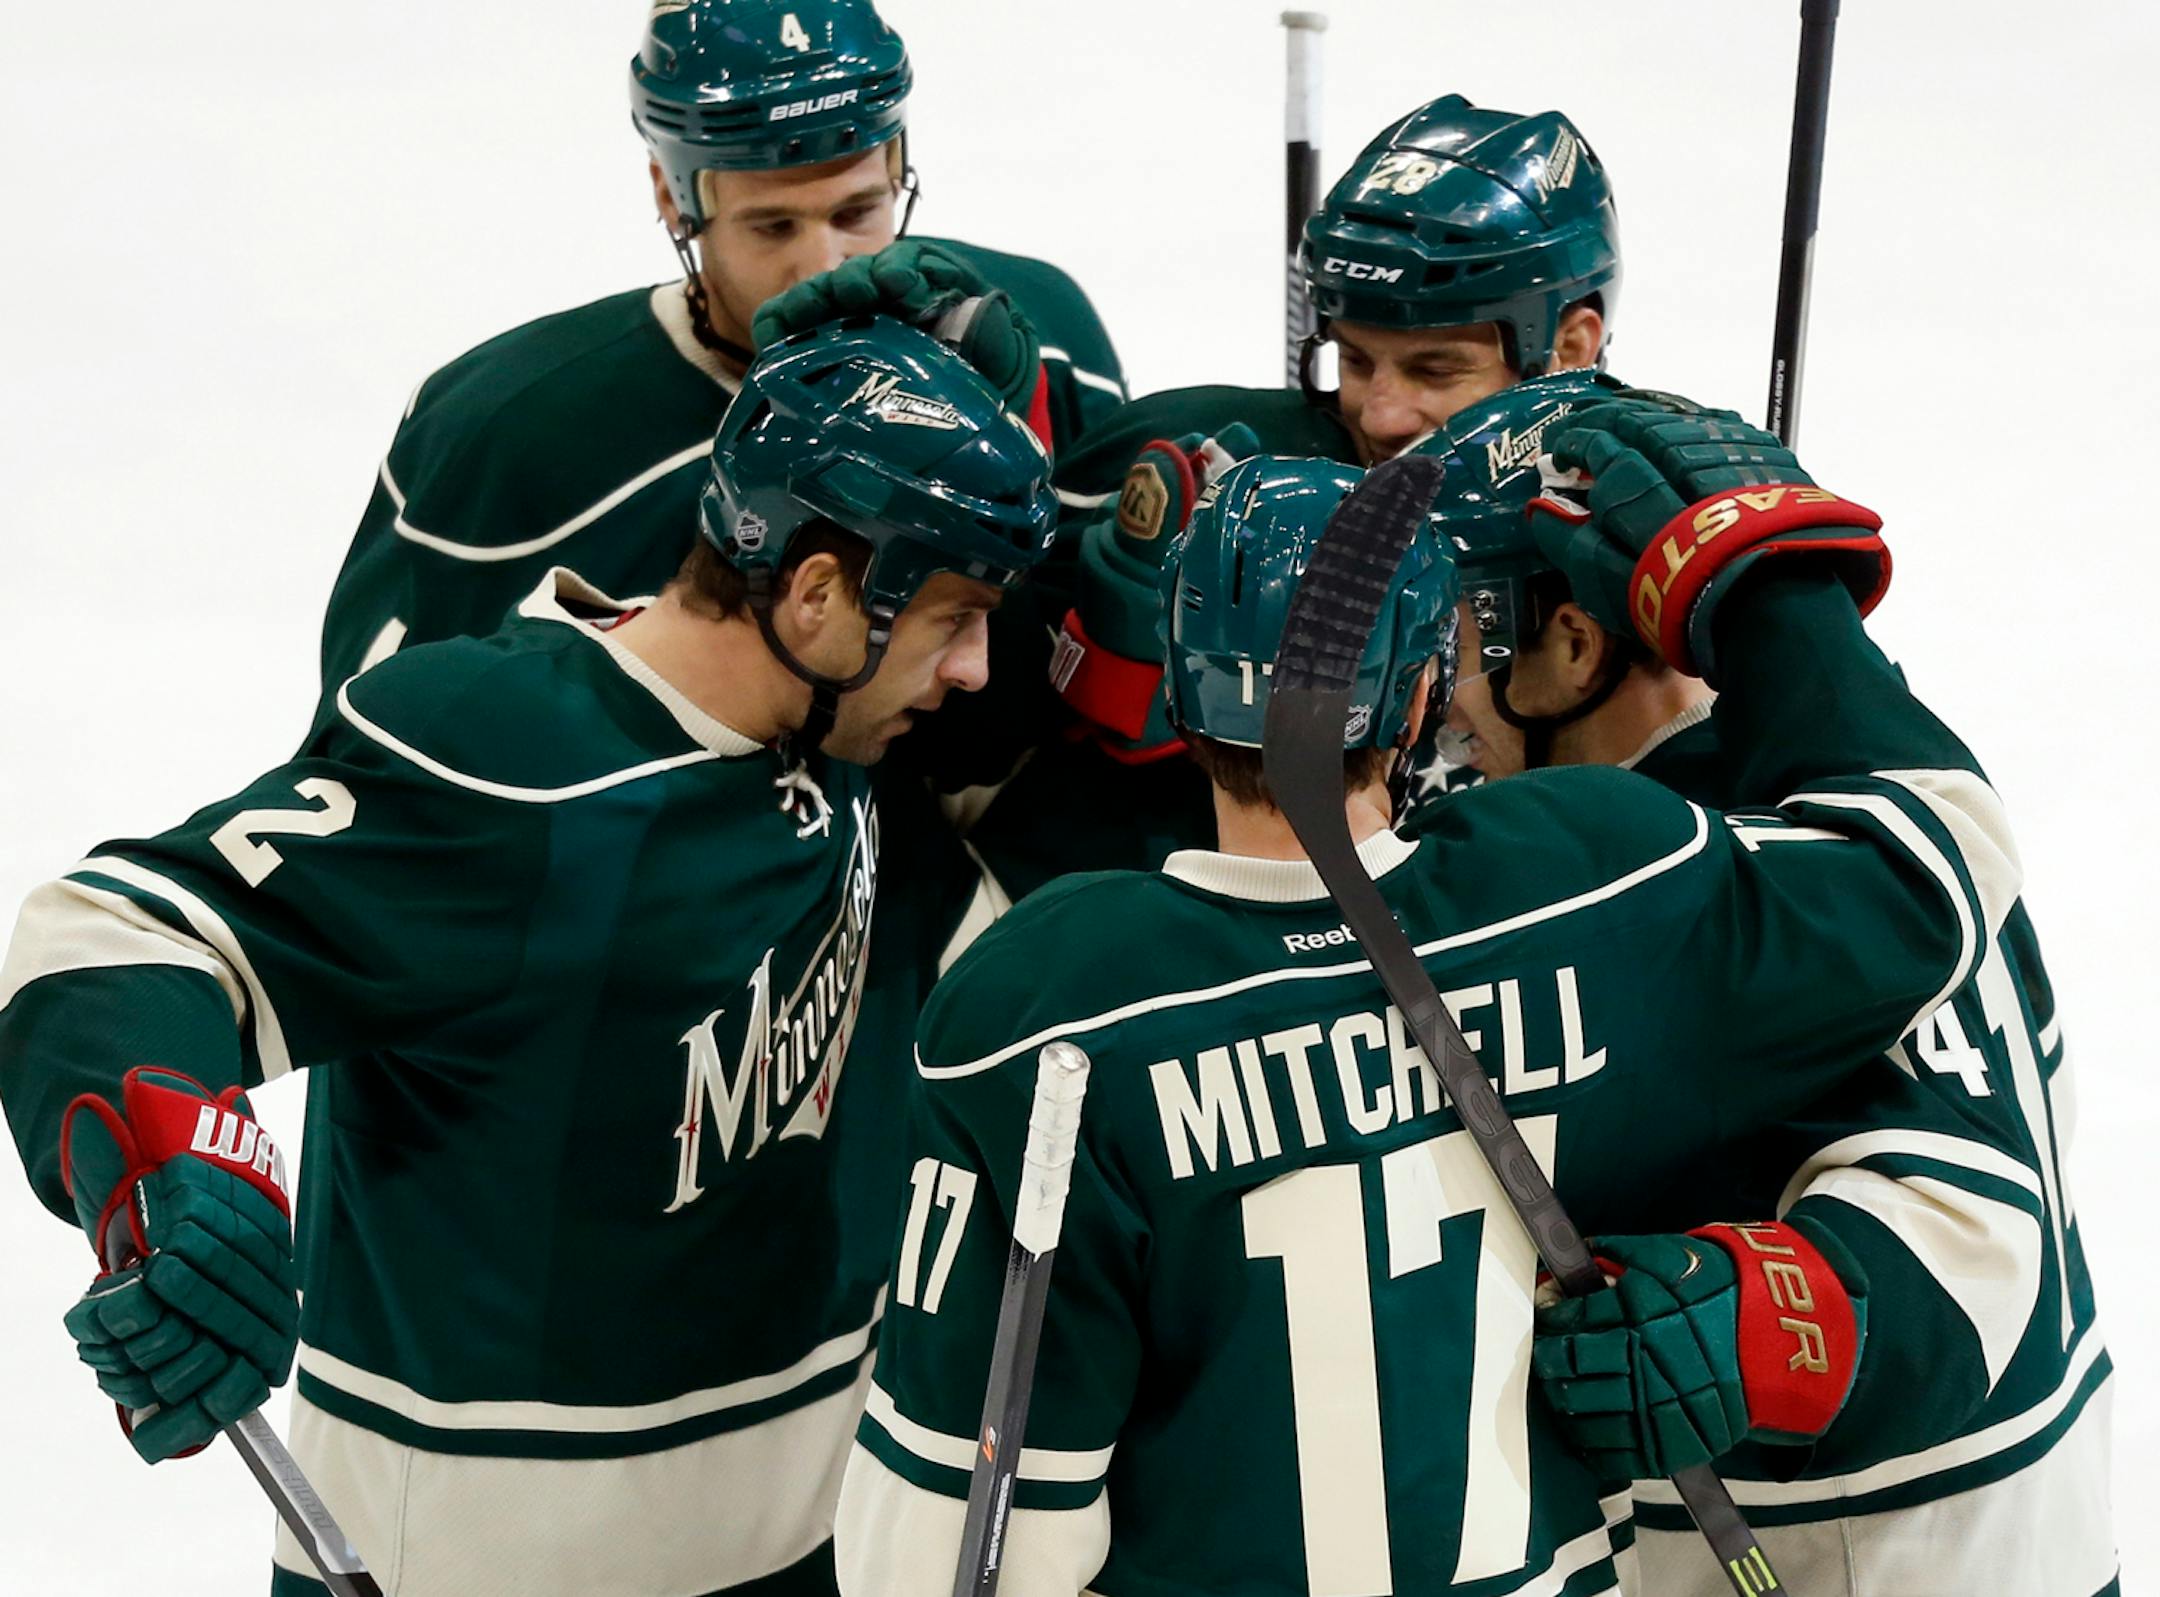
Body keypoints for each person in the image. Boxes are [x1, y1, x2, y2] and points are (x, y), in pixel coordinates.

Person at [832, 400, 2031, 1596]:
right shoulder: (1593, 873)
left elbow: (943, 1567)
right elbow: (1942, 864)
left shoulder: (1046, 1011)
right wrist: (1769, 582)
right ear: (1411, 701)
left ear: (1184, 696)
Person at [0, 321, 1056, 1597]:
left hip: (805, 1540)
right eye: (954, 618)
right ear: (821, 594)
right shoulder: (507, 764)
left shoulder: (828, 744)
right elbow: (118, 931)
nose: (972, 667)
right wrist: (172, 1162)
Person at [1420, 376, 2116, 1596]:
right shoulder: (1880, 790)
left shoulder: (1686, 868)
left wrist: (1769, 1321)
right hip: (1985, 1531)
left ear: (1576, 643)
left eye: (1461, 636)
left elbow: (1975, 1229)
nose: (1439, 692)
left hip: (1856, 1547)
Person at [314, 0, 1123, 707]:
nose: (826, 266)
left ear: (899, 165)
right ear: (673, 196)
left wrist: (1013, 426)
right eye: (773, 226)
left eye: (858, 210)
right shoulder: (505, 439)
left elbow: (1085, 681)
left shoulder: (1043, 339)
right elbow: (379, 768)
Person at [967, 91, 1618, 904]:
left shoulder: (1616, 544)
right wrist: (1105, 646)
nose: (1379, 414)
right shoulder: (1206, 468)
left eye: (1435, 370)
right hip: (1120, 962)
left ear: (1570, 347)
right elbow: (960, 737)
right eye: (1354, 359)